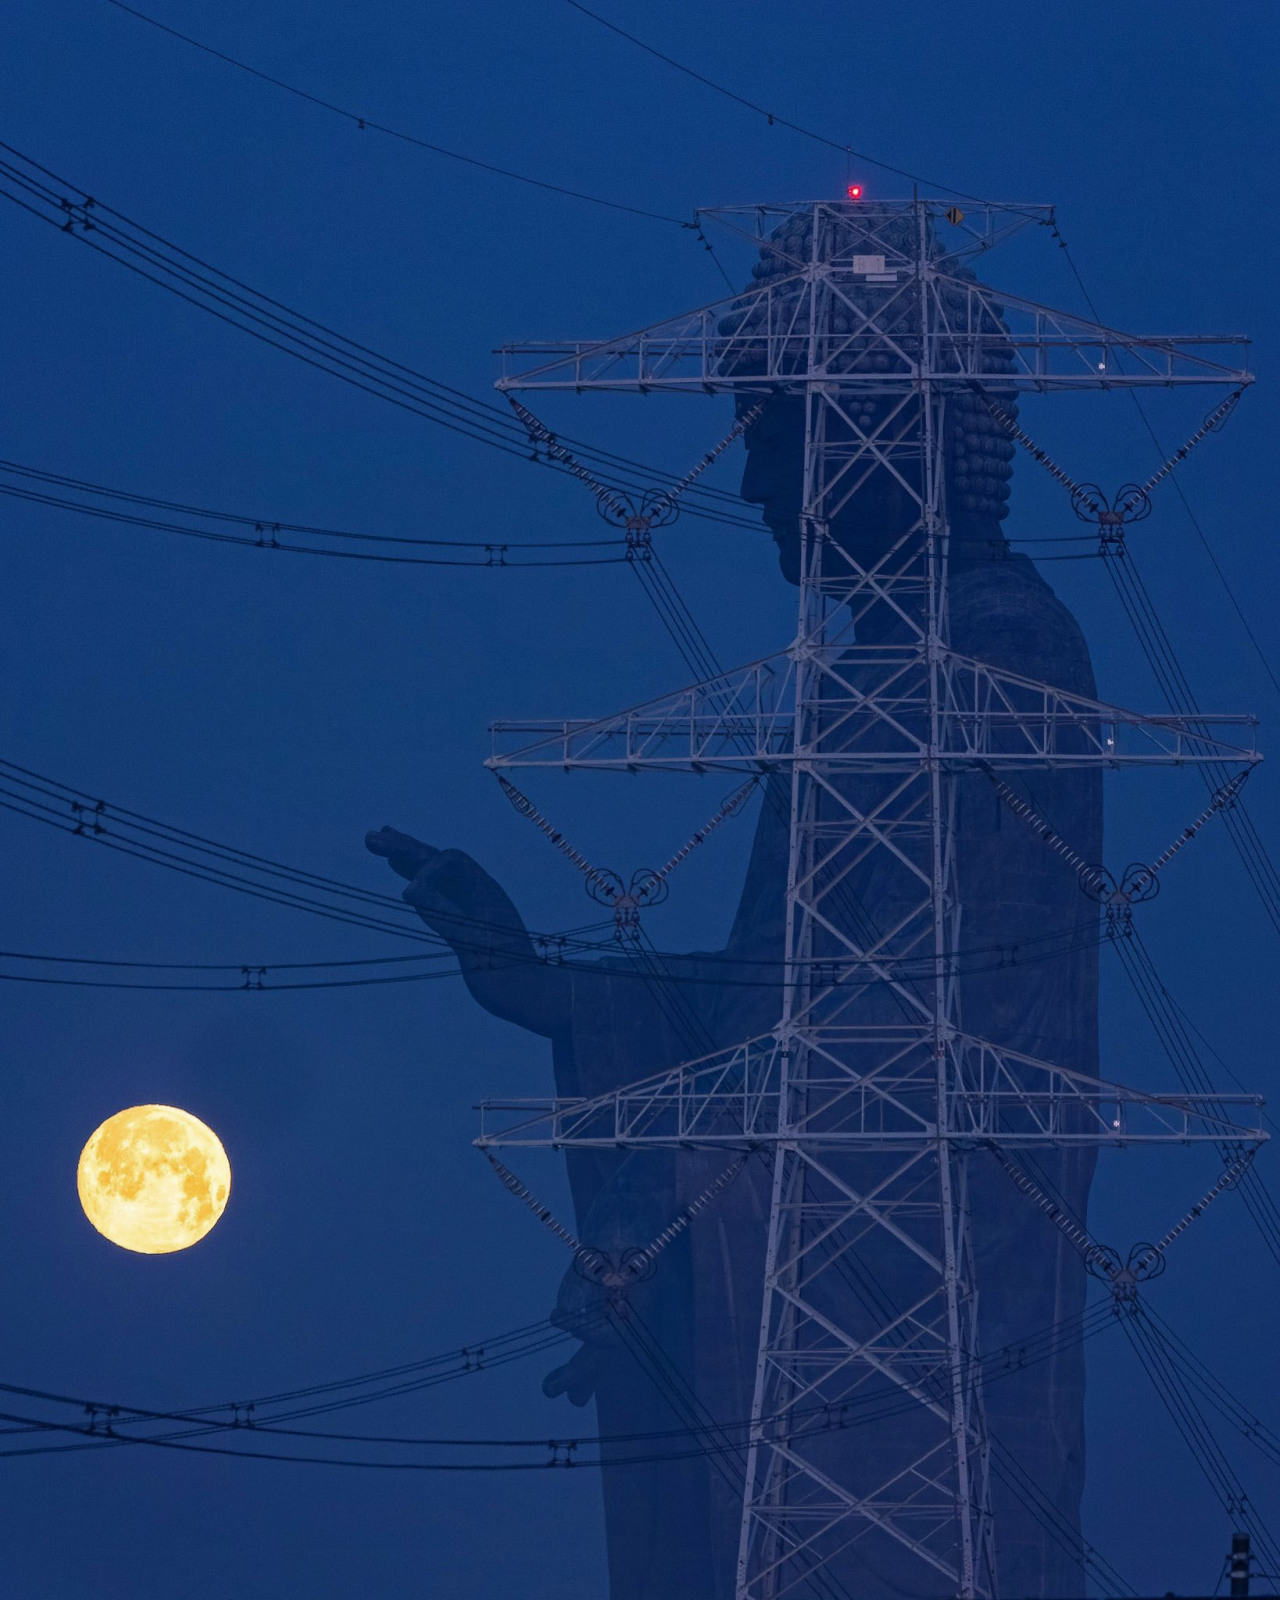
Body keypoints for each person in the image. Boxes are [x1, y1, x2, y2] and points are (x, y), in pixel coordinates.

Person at [369, 207, 1101, 1599]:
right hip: (850, 1302)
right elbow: (791, 994)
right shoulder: (879, 666)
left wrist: (646, 1222)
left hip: (910, 1321)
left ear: (884, 430)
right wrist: (549, 988)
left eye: (773, 430)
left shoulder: (982, 657)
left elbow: (853, 1045)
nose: (754, 481)